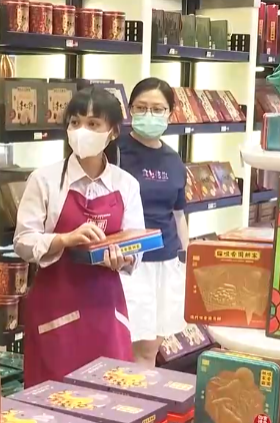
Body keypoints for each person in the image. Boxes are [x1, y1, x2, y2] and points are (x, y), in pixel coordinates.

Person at [13, 87, 145, 386]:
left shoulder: (126, 184)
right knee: (53, 397)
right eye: (75, 122)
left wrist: (122, 258)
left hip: (107, 309)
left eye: (93, 124)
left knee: (110, 395)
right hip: (54, 310)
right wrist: (64, 239)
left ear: (112, 132)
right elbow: (22, 241)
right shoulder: (44, 180)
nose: (82, 130)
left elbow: (136, 246)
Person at [116, 77, 190, 367]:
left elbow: (178, 214)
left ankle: (144, 396)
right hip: (130, 264)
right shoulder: (116, 152)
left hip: (166, 263)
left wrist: (187, 260)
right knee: (130, 347)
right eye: (141, 107)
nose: (149, 114)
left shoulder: (173, 159)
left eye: (158, 109)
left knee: (151, 349)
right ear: (130, 109)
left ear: (170, 113)